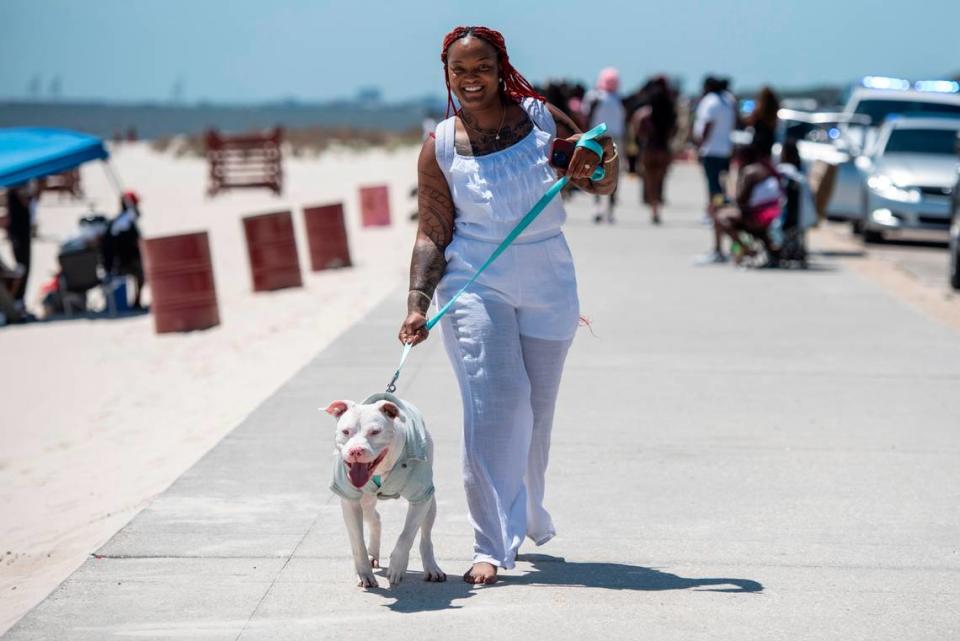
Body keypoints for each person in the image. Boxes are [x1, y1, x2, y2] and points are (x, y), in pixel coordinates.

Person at [398, 25, 618, 585]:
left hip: (549, 276)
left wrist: (604, 156)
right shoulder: (440, 146)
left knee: (535, 415)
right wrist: (417, 304)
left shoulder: (541, 120)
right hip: (476, 280)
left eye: (481, 68)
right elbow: (432, 232)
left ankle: (525, 515)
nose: (471, 80)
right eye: (459, 70)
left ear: (501, 69)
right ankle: (490, 545)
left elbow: (597, 179)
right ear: (446, 75)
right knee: (497, 404)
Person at [715, 140, 784, 266]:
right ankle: (739, 250)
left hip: (758, 216)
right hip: (772, 213)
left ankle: (741, 248)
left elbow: (740, 199)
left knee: (721, 217)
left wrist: (732, 177)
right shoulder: (764, 167)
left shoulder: (750, 172)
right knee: (725, 210)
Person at [693, 76, 737, 263]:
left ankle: (719, 244)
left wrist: (700, 146)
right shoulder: (729, 101)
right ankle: (720, 235)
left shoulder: (710, 102)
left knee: (715, 195)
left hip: (711, 152)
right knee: (721, 193)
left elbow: (707, 127)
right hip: (725, 151)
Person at [582, 67, 625, 223]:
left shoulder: (593, 97)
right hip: (614, 139)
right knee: (613, 173)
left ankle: (598, 208)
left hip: (596, 137)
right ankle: (609, 210)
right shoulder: (618, 98)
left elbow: (586, 116)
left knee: (595, 172)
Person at [632, 77, 677, 224]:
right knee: (660, 180)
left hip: (650, 148)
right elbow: (673, 132)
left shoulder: (645, 113)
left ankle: (654, 208)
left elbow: (637, 131)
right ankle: (659, 204)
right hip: (664, 149)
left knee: (650, 180)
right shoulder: (669, 112)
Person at [101, 191, 145, 308]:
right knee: (141, 271)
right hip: (120, 262)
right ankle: (136, 301)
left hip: (124, 259)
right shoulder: (123, 221)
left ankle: (137, 301)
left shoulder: (124, 219)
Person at [5, 183, 34, 311]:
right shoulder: (14, 188)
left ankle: (19, 298)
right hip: (18, 231)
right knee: (22, 266)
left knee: (24, 265)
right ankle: (17, 298)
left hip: (22, 229)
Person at [748, 86, 780, 160]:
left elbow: (750, 122)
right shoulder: (773, 112)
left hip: (758, 141)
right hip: (769, 141)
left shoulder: (758, 111)